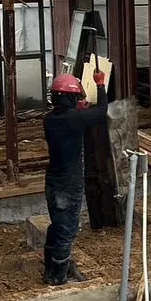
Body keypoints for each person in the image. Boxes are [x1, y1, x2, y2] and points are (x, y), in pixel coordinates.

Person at [42, 69, 106, 285]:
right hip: (69, 185)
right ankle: (59, 279)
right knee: (66, 231)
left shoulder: (49, 119)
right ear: (70, 98)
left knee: (56, 226)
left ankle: (50, 271)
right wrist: (100, 84)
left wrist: (76, 109)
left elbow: (69, 117)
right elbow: (102, 112)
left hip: (52, 182)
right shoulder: (74, 118)